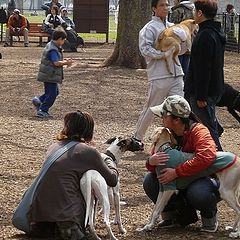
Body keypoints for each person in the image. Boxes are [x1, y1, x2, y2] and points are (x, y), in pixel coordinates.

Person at [28, 110, 119, 239]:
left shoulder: (54, 147)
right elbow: (112, 180)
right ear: (89, 130)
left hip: (38, 221)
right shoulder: (88, 152)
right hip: (66, 221)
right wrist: (110, 162)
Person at [143, 95, 220, 232]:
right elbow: (157, 164)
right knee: (150, 181)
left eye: (164, 115)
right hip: (181, 179)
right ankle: (174, 217)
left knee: (198, 193)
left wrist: (176, 172)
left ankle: (209, 218)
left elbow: (207, 156)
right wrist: (150, 162)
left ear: (177, 119)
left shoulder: (199, 131)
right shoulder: (166, 132)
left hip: (203, 178)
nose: (161, 118)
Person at [133, 0, 185, 144]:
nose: (165, 8)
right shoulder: (148, 28)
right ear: (154, 8)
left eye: (167, 5)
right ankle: (137, 138)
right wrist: (164, 54)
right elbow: (145, 49)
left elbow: (183, 50)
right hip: (159, 75)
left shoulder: (173, 27)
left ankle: (179, 140)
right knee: (152, 108)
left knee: (179, 108)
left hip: (177, 74)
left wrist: (184, 39)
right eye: (161, 5)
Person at [184, 0, 226, 151]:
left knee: (208, 130)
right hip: (214, 88)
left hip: (203, 92)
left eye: (195, 11)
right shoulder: (215, 33)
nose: (194, 14)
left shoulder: (205, 36)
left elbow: (203, 68)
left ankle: (222, 165)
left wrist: (201, 95)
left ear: (200, 13)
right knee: (206, 122)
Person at [32, 28, 74, 118]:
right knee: (52, 94)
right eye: (63, 40)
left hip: (48, 74)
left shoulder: (50, 44)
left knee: (53, 92)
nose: (64, 42)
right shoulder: (53, 49)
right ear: (59, 39)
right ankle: (43, 110)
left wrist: (64, 61)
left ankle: (38, 100)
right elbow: (56, 63)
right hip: (50, 75)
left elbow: (56, 61)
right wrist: (66, 63)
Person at [169, 0, 195, 81]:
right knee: (186, 68)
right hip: (189, 42)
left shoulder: (177, 11)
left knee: (177, 67)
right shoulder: (193, 11)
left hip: (178, 43)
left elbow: (172, 28)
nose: (173, 1)